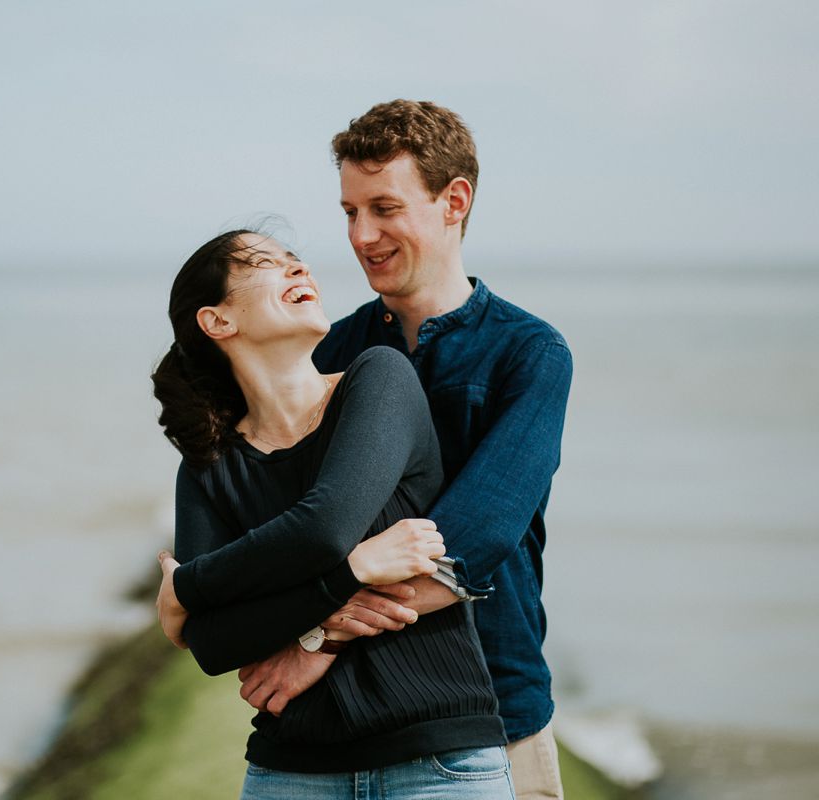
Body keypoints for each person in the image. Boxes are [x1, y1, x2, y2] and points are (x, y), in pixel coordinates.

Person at [233, 100, 574, 800]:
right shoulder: (333, 350)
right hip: (339, 721)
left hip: (494, 711)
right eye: (350, 211)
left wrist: (320, 639)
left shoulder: (529, 354)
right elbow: (285, 522)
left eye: (384, 208)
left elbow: (468, 540)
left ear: (454, 201)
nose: (362, 235)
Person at [151, 229, 516, 799]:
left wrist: (187, 587)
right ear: (217, 321)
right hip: (288, 772)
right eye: (265, 263)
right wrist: (357, 571)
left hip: (439, 762)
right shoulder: (209, 466)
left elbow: (323, 529)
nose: (298, 270)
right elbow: (216, 645)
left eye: (297, 260)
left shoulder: (378, 379)